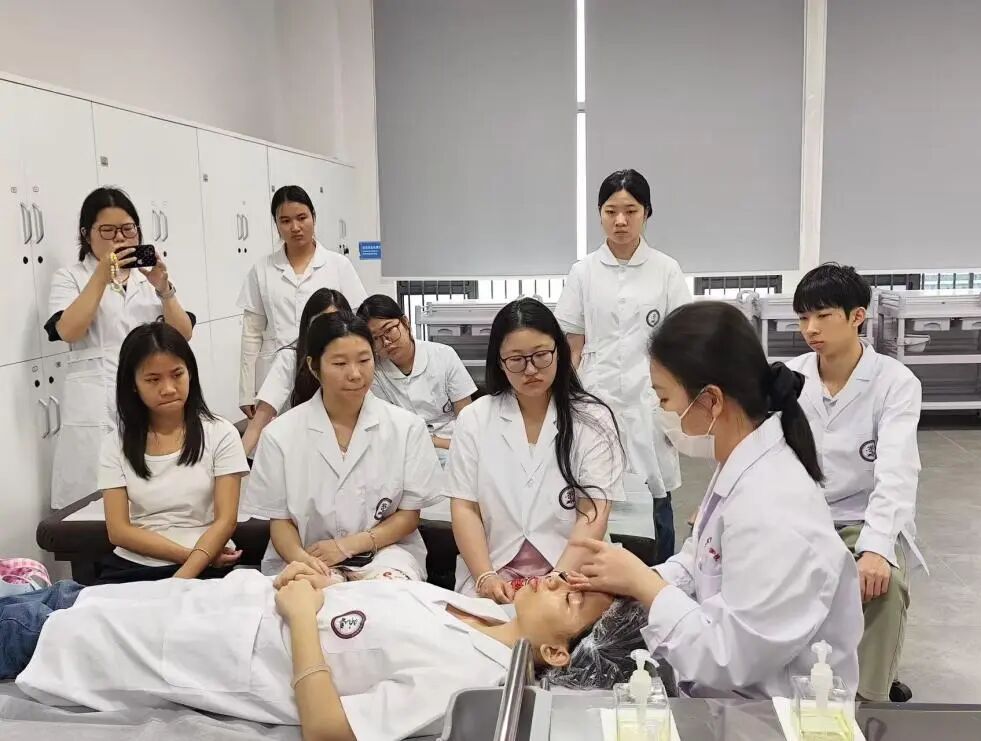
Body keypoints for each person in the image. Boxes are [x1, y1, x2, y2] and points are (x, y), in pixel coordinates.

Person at [568, 302, 864, 699]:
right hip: (733, 699)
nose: (661, 413)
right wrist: (635, 579)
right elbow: (702, 561)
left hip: (771, 710)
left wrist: (644, 584)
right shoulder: (740, 466)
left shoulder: (773, 503)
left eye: (664, 400)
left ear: (711, 400)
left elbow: (730, 656)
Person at [4, 568, 645, 740]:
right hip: (190, 601)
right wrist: (326, 581)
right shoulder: (485, 614)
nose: (555, 580)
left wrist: (300, 617)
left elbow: (330, 729)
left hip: (185, 649)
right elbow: (369, 614)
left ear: (558, 653)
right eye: (569, 578)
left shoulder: (469, 679)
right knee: (67, 599)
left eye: (571, 599)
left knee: (35, 627)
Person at [788, 263, 927, 703]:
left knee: (884, 586)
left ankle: (867, 701)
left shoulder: (894, 382)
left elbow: (897, 471)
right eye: (803, 318)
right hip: (798, 515)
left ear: (857, 317)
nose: (810, 329)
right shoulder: (788, 377)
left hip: (861, 515)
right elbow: (758, 452)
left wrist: (877, 547)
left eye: (823, 316)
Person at [242, 313, 446, 582]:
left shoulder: (406, 428)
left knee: (386, 596)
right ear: (314, 367)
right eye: (339, 363)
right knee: (309, 596)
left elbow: (409, 516)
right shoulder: (280, 435)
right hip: (307, 554)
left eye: (364, 360)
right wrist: (305, 560)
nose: (355, 374)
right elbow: (280, 523)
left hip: (385, 553)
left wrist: (348, 546)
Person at [554, 169, 692, 565]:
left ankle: (659, 579)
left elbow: (682, 343)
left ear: (646, 213)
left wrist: (677, 407)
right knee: (595, 494)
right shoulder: (583, 272)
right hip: (594, 399)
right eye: (611, 211)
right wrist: (566, 402)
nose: (620, 220)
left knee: (656, 497)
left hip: (650, 402)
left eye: (630, 211)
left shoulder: (666, 270)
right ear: (599, 213)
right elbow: (572, 345)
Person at [449, 298, 625, 601]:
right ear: (499, 362)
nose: (530, 369)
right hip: (494, 568)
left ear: (559, 350)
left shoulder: (593, 419)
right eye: (516, 360)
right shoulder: (474, 419)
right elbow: (465, 507)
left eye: (541, 355)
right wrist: (485, 575)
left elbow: (593, 511)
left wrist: (557, 579)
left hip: (572, 568)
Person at [44, 187, 195, 509]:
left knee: (151, 498)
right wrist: (101, 276)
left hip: (147, 396)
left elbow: (183, 335)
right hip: (95, 404)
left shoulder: (147, 279)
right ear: (86, 234)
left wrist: (164, 289)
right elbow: (69, 331)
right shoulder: (70, 277)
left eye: (128, 229)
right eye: (108, 231)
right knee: (92, 506)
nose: (120, 238)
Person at [97, 323, 249, 584]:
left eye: (177, 374)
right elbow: (118, 531)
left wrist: (182, 576)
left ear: (190, 373)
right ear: (133, 384)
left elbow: (226, 521)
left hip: (206, 562)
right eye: (153, 380)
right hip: (135, 565)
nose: (168, 388)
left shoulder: (221, 433)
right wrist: (185, 559)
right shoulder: (115, 444)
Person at [238, 185, 367, 420]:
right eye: (285, 221)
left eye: (301, 218)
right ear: (276, 224)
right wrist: (246, 392)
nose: (295, 227)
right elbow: (251, 333)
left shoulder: (338, 265)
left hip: (328, 367)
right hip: (275, 373)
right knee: (280, 435)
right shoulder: (262, 269)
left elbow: (358, 322)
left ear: (313, 217)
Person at [356, 294, 476, 462]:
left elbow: (467, 419)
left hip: (452, 444)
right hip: (405, 450)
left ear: (405, 322)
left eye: (389, 330)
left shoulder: (444, 355)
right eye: (375, 338)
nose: (386, 342)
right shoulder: (375, 372)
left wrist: (441, 443)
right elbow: (388, 427)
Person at [241, 288, 353, 457]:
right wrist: (234, 466)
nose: (326, 332)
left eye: (333, 323)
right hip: (298, 450)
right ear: (307, 326)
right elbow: (259, 421)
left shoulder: (355, 358)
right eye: (318, 324)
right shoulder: (291, 358)